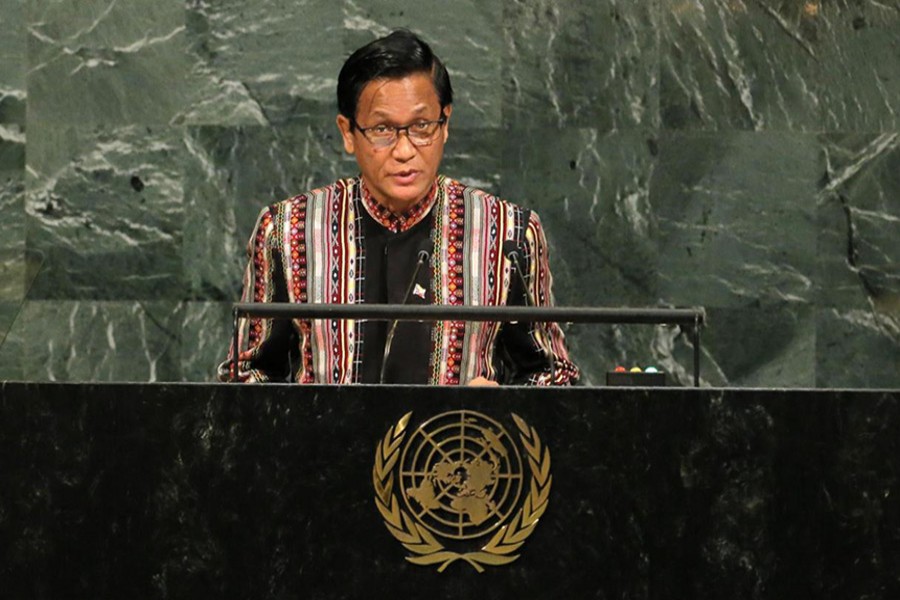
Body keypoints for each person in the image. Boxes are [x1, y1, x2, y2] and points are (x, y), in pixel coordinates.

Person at [218, 30, 578, 386]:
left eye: (422, 126)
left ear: (446, 123)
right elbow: (247, 378)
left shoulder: (509, 234)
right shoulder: (288, 231)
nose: (405, 150)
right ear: (347, 132)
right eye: (382, 129)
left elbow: (553, 377)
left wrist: (499, 407)